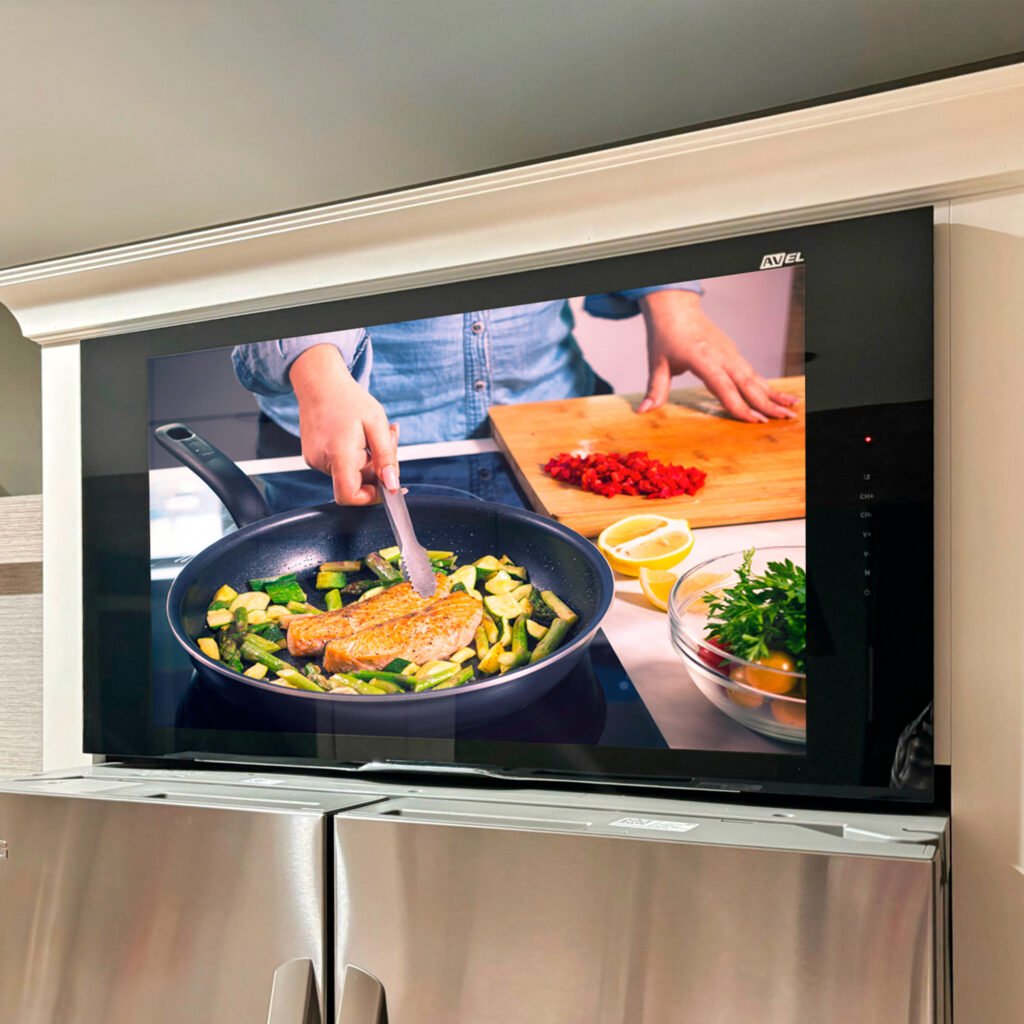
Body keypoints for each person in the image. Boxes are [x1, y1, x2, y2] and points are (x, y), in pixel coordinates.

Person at [233, 285, 797, 507]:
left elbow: (616, 183)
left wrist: (669, 298)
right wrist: (318, 374)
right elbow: (252, 262)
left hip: (550, 426)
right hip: (350, 450)